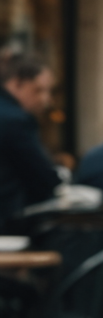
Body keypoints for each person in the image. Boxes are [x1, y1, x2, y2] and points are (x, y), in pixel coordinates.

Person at [0, 51, 61, 230]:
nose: (45, 99)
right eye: (38, 90)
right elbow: (42, 175)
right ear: (16, 83)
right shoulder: (15, 119)